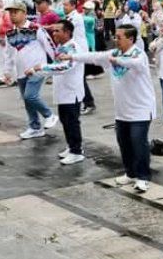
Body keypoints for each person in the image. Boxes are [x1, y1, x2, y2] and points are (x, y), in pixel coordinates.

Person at [64, 25, 157, 192]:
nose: (116, 40)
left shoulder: (139, 54)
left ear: (130, 39)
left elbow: (135, 64)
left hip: (141, 110)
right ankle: (130, 173)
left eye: (119, 37)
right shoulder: (114, 53)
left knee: (138, 143)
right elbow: (94, 56)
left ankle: (143, 177)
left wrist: (118, 61)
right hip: (122, 111)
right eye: (115, 36)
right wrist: (72, 56)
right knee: (124, 143)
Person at [29, 19, 86, 164]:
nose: (54, 33)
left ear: (67, 32)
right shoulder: (62, 47)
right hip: (63, 91)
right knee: (65, 121)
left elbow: (64, 67)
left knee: (72, 122)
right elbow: (54, 67)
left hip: (71, 92)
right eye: (53, 30)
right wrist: (37, 72)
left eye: (57, 31)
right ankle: (71, 146)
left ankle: (77, 151)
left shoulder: (72, 47)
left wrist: (40, 68)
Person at [2, 1, 59, 140]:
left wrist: (57, 63)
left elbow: (49, 45)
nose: (12, 16)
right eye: (10, 13)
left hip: (37, 68)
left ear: (24, 13)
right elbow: (8, 55)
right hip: (21, 71)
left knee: (30, 96)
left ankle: (49, 115)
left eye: (15, 12)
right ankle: (35, 127)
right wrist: (7, 72)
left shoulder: (35, 28)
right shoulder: (10, 33)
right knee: (27, 100)